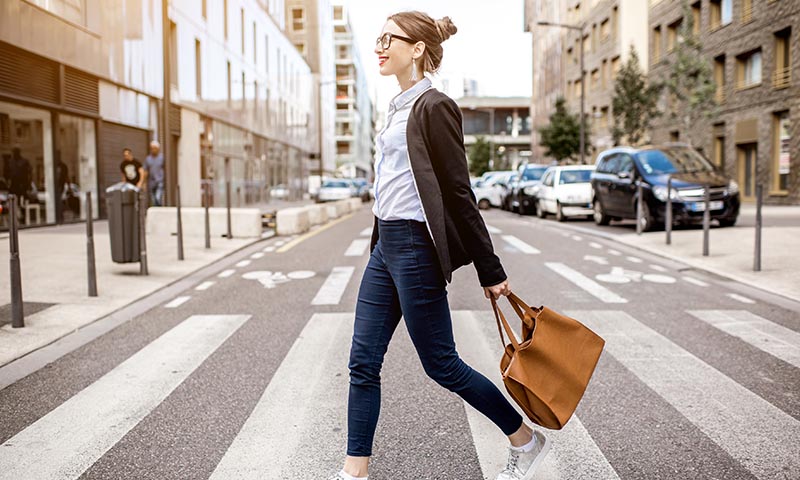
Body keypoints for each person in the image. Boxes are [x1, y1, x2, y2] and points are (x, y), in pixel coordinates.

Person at [328, 11, 550, 480]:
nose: (380, 46)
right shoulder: (397, 106)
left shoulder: (434, 106)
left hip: (413, 248)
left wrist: (491, 273)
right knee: (362, 361)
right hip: (384, 247)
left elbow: (458, 192)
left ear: (417, 49)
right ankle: (354, 472)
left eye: (390, 38)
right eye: (379, 37)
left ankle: (524, 438)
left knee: (442, 365)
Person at [144, 140, 164, 206]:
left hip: (160, 181)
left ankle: (160, 210)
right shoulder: (148, 159)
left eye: (155, 148)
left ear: (158, 149)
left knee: (158, 198)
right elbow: (145, 170)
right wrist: (144, 183)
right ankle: (157, 213)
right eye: (152, 148)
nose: (153, 150)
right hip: (151, 182)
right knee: (153, 200)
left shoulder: (162, 158)